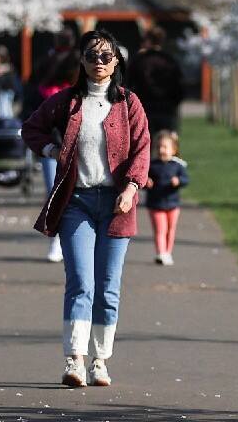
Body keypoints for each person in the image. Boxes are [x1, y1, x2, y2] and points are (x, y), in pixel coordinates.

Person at [22, 29, 150, 388]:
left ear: (116, 62)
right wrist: (51, 150)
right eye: (92, 56)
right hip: (76, 202)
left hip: (117, 204)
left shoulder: (128, 103)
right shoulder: (66, 102)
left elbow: (142, 150)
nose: (99, 62)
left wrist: (131, 186)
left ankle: (100, 361)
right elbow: (31, 129)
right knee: (81, 283)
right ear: (81, 60)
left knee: (108, 288)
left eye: (106, 56)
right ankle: (74, 359)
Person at [27, 28, 79, 263]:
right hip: (69, 140)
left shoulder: (43, 72)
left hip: (53, 142)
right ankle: (64, 241)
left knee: (54, 191)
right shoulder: (77, 75)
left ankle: (57, 241)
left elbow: (29, 102)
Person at [126, 26, 184, 134]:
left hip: (144, 109)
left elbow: (129, 86)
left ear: (148, 40)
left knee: (145, 147)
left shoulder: (139, 61)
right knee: (168, 146)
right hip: (167, 110)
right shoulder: (170, 61)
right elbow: (179, 87)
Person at [146, 130, 189, 266]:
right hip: (155, 204)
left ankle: (167, 253)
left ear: (173, 149)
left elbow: (186, 179)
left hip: (173, 204)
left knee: (171, 229)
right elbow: (141, 180)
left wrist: (179, 181)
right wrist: (146, 182)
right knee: (160, 229)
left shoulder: (178, 165)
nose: (161, 150)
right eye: (159, 147)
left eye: (165, 147)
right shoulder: (151, 165)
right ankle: (161, 253)